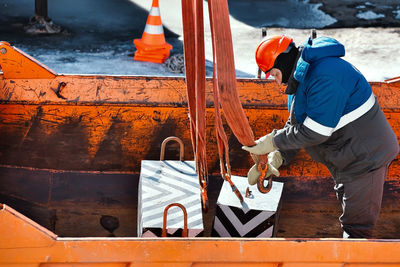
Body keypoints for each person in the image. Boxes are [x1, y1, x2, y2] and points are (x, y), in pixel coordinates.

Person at [243, 35, 399, 238]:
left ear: (282, 62)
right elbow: (297, 124)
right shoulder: (301, 78)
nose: (276, 81)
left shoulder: (324, 75)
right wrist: (279, 156)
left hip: (366, 159)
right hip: (348, 156)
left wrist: (272, 141)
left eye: (273, 74)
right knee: (352, 218)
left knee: (356, 230)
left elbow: (316, 131)